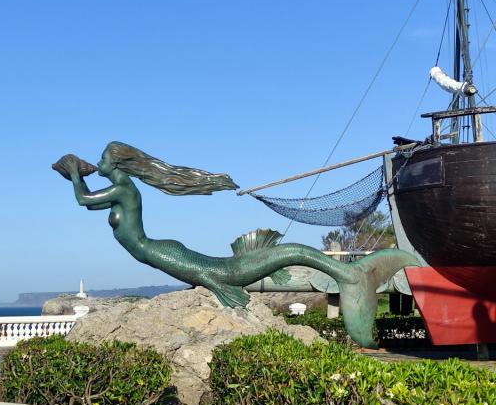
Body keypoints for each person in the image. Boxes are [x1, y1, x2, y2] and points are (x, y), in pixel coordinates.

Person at [54, 142, 418, 348]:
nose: (97, 163)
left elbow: (84, 202)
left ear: (116, 166)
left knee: (209, 270)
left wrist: (73, 174)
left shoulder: (122, 188)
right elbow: (88, 201)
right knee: (211, 268)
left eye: (102, 160)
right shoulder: (121, 188)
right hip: (167, 250)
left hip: (158, 250)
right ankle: (350, 275)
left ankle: (352, 276)